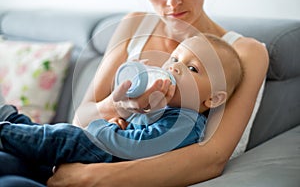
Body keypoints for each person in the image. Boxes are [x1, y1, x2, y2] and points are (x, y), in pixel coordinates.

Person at [1, 0, 269, 186]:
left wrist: (93, 177)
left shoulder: (245, 52)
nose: (172, 1)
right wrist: (119, 108)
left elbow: (212, 157)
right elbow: (80, 119)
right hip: (81, 151)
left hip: (108, 171)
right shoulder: (134, 25)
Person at [0, 35, 243, 184]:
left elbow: (138, 147)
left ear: (212, 99)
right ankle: (12, 120)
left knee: (62, 136)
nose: (176, 68)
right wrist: (123, 118)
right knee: (47, 138)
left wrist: (104, 130)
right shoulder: (164, 109)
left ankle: (5, 130)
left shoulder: (186, 124)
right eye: (175, 58)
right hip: (105, 150)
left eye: (192, 69)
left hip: (108, 160)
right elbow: (138, 130)